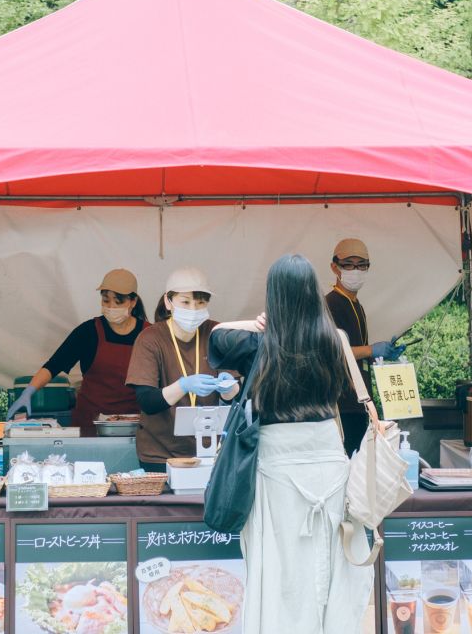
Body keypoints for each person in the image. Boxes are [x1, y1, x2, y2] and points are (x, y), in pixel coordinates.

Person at [209, 254, 374, 634]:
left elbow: (215, 338)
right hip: (329, 463)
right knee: (329, 568)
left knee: (279, 571)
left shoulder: (260, 342)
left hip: (276, 465)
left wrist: (253, 323)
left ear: (274, 296)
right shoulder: (336, 341)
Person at [7, 269, 149, 435]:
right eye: (106, 300)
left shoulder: (149, 335)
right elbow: (54, 365)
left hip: (134, 428)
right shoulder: (88, 332)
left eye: (118, 302)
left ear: (133, 301)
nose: (111, 307)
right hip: (90, 425)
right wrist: (29, 391)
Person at [125, 267, 239, 471]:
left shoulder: (218, 334)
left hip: (211, 451)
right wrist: (184, 385)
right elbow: (147, 401)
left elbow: (237, 396)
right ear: (168, 302)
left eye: (201, 302)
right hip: (160, 454)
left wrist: (229, 388)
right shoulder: (150, 339)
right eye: (185, 302)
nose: (193, 309)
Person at [325, 238, 404, 455]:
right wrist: (371, 350)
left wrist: (381, 354)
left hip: (360, 402)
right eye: (349, 264)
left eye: (362, 265)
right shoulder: (330, 304)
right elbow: (331, 352)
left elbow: (355, 352)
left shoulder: (356, 305)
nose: (356, 270)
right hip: (342, 404)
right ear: (335, 267)